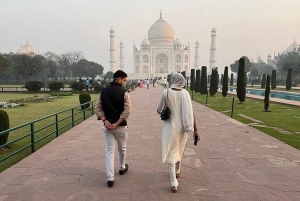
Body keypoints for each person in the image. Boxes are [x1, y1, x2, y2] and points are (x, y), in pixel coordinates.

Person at [157, 73, 200, 193]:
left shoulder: (166, 92)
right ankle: (177, 171)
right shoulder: (185, 93)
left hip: (170, 127)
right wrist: (196, 130)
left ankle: (174, 182)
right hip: (183, 127)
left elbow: (159, 110)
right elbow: (191, 113)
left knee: (171, 152)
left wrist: (167, 105)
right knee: (179, 149)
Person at [95, 70, 131, 188]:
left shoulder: (103, 92)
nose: (124, 83)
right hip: (120, 126)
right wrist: (117, 123)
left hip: (107, 126)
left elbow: (98, 109)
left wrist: (105, 121)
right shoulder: (124, 92)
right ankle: (121, 168)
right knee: (122, 147)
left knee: (109, 151)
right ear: (119, 79)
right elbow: (127, 111)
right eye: (124, 80)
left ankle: (110, 178)